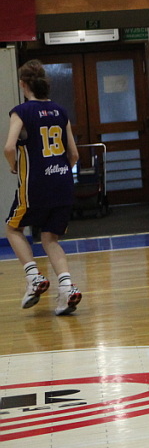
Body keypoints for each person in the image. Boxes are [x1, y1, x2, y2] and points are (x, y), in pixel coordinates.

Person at [4, 60, 82, 316]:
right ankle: (67, 288)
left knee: (13, 228)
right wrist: (60, 171)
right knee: (50, 238)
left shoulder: (21, 111)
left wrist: (14, 166)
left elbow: (9, 147)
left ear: (23, 84)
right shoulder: (60, 111)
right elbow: (73, 154)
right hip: (63, 183)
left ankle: (34, 277)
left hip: (36, 183)